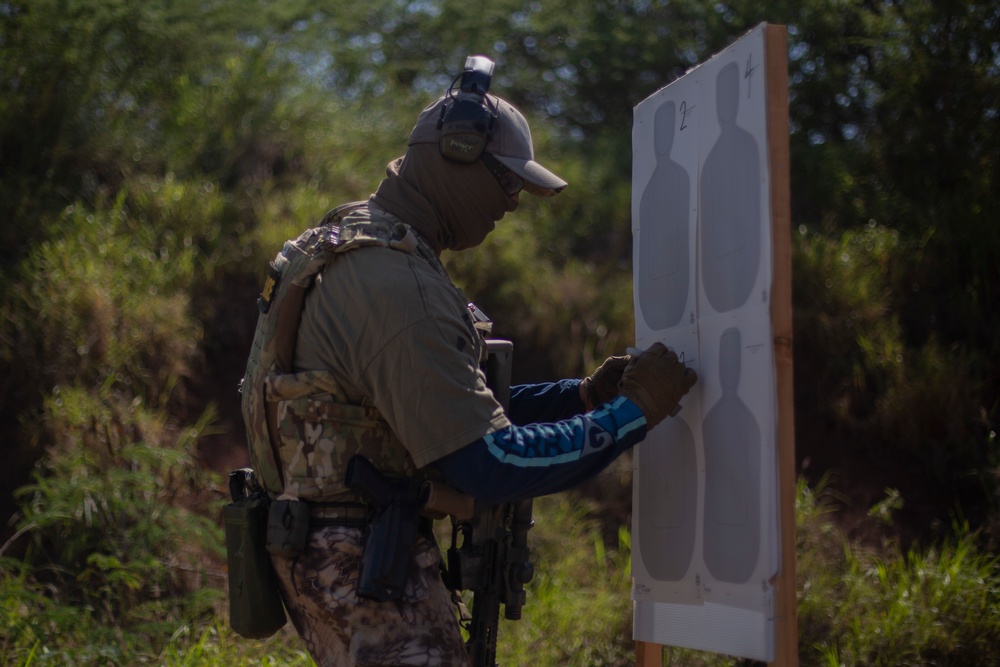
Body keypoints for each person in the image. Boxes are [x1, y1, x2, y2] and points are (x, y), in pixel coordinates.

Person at [239, 56, 697, 667]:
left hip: (322, 549)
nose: (512, 204)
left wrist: (581, 396)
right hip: (360, 565)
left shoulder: (350, 236)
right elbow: (490, 461)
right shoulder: (399, 285)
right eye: (507, 183)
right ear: (454, 155)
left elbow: (429, 403)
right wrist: (631, 415)